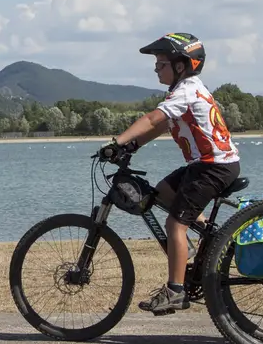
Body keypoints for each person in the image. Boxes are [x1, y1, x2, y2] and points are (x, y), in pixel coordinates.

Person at [101, 32, 241, 315]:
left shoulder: (187, 90)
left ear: (181, 65)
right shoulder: (183, 90)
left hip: (213, 167)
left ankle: (175, 291)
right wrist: (133, 145)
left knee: (175, 225)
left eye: (160, 63)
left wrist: (116, 142)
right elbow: (161, 126)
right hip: (207, 165)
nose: (156, 69)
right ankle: (204, 247)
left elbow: (153, 118)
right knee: (162, 192)